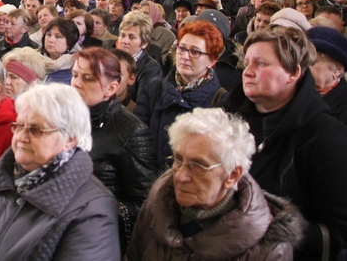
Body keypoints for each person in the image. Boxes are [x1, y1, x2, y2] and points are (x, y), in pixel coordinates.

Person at [0, 83, 121, 260]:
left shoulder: (92, 209)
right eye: (19, 126)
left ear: (70, 139)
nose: (21, 137)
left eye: (35, 130)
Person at [225, 27, 347, 259]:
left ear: (293, 73)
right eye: (247, 62)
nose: (247, 72)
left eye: (261, 64)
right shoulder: (227, 117)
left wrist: (262, 226)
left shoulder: (326, 136)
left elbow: (337, 235)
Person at [127, 108, 306, 260]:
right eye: (178, 159)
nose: (180, 177)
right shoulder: (159, 199)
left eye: (198, 166)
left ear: (233, 175)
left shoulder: (268, 249)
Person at [71, 47, 157, 251]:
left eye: (88, 78)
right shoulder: (67, 119)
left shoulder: (132, 131)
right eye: (74, 75)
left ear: (111, 89)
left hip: (101, 239)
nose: (76, 83)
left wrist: (94, 210)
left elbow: (144, 203)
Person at [135, 20, 225, 166]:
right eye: (182, 48)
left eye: (195, 52)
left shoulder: (221, 101)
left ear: (211, 60)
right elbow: (138, 144)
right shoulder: (153, 89)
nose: (185, 56)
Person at [115, 10, 162, 103]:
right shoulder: (110, 59)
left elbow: (142, 107)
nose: (125, 41)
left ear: (144, 43)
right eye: (123, 35)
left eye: (132, 37)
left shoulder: (152, 69)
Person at [307, 26, 347, 125]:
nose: (304, 66)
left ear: (337, 70)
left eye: (313, 62)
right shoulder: (292, 94)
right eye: (303, 59)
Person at [40, 17, 80, 84]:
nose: (50, 40)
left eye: (58, 36)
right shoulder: (31, 59)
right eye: (48, 35)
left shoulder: (76, 66)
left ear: (69, 43)